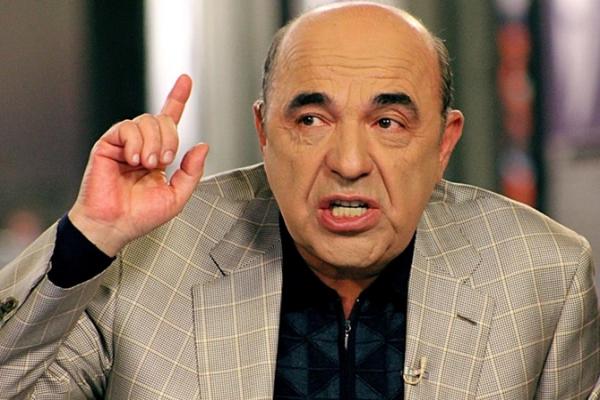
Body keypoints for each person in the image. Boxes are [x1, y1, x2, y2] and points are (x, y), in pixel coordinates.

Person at [0, 2, 598, 399]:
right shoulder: (147, 257)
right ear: (264, 132)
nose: (349, 161)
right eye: (311, 119)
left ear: (444, 142)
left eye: (388, 123)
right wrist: (89, 237)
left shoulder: (543, 276)